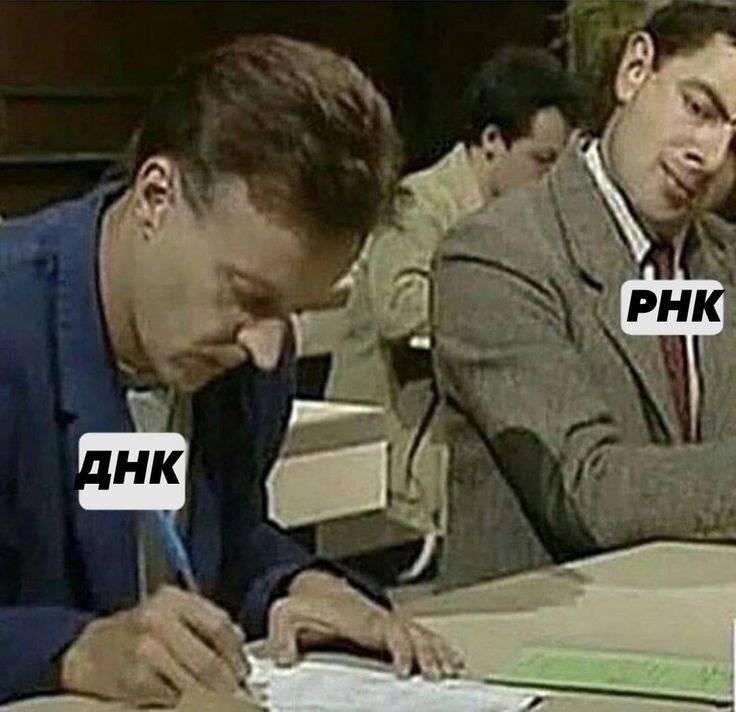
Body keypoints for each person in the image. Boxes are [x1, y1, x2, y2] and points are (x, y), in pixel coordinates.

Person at [0, 35, 462, 707]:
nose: (269, 351)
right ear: (156, 196)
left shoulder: (237, 363)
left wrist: (296, 586)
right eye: (249, 296)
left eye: (296, 310)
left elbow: (194, 531)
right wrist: (73, 649)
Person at [432, 2, 736, 584]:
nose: (710, 157)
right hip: (543, 626)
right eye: (699, 109)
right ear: (635, 70)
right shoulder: (498, 254)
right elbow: (588, 489)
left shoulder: (719, 264)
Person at [327, 47, 581, 541]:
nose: (551, 181)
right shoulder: (418, 204)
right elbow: (399, 308)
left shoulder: (531, 219)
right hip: (392, 468)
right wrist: (508, 305)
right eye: (542, 160)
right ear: (492, 142)